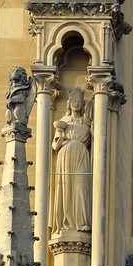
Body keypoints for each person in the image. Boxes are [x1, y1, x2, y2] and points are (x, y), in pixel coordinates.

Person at [49, 88, 91, 235]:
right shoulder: (63, 122)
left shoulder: (87, 123)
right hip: (65, 156)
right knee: (66, 190)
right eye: (73, 100)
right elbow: (55, 146)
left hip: (82, 155)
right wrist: (60, 135)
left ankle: (82, 222)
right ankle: (67, 223)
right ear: (69, 103)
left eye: (79, 101)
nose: (76, 103)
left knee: (81, 188)